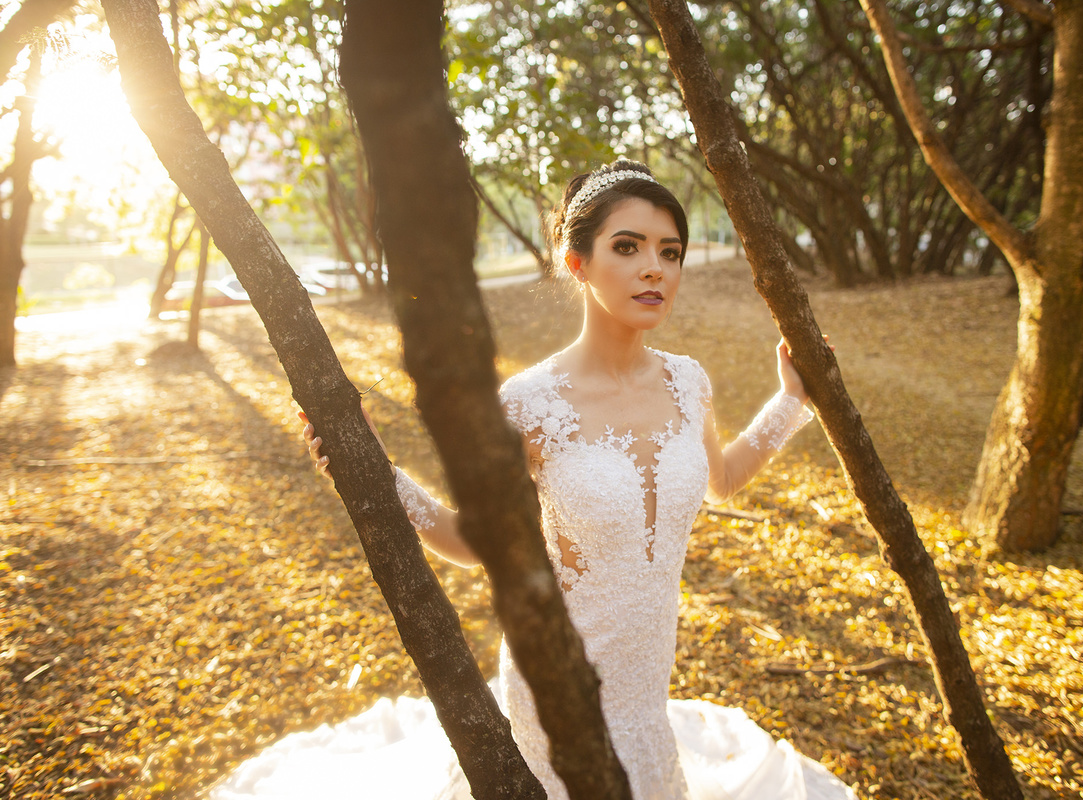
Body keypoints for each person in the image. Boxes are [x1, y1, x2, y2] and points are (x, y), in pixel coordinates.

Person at [212, 160, 854, 800]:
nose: (654, 267)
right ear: (577, 262)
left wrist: (793, 400)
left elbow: (723, 479)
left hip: (646, 683)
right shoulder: (530, 402)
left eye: (670, 251)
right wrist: (378, 475)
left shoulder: (689, 382)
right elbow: (470, 542)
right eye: (626, 247)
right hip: (554, 691)